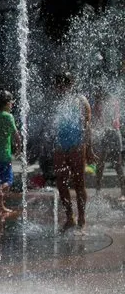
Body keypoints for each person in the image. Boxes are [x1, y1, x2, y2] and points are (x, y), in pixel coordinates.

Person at [52, 72, 93, 233]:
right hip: (60, 147)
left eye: (63, 84)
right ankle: (70, 217)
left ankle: (82, 217)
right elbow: (53, 126)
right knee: (61, 183)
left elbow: (87, 126)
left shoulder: (81, 101)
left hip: (77, 145)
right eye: (58, 85)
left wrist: (89, 148)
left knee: (79, 183)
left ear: (70, 85)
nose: (60, 88)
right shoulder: (56, 102)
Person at [91, 85, 125, 200]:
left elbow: (113, 120)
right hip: (104, 134)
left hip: (114, 133)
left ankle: (123, 192)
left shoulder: (112, 102)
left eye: (98, 92)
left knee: (117, 164)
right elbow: (96, 121)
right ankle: (98, 191)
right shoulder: (96, 104)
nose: (97, 94)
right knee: (100, 164)